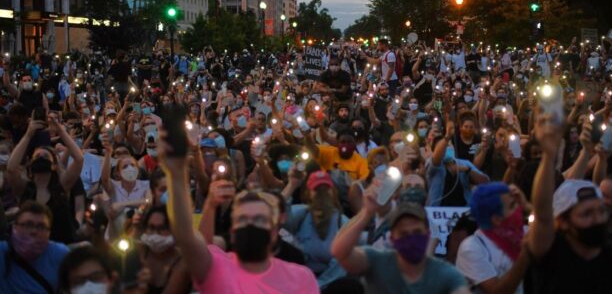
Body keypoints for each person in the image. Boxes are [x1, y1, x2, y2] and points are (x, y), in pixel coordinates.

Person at [160, 130, 319, 293]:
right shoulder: (217, 269)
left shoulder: (300, 277)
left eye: (259, 220)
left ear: (274, 228)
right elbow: (188, 239)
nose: (250, 225)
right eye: (242, 219)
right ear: (232, 230)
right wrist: (176, 173)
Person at [527, 113, 612, 293]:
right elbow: (542, 213)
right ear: (563, 222)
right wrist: (549, 154)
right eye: (586, 214)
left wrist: (599, 156)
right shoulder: (551, 254)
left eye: (600, 211)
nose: (597, 219)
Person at [331, 186, 470, 294]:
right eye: (404, 234)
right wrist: (366, 214)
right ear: (392, 238)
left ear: (427, 234)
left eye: (417, 232)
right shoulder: (376, 261)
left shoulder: (446, 274)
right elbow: (339, 252)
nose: (411, 238)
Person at [456, 182, 531, 294]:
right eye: (512, 205)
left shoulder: (524, 232)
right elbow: (498, 291)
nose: (519, 208)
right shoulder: (472, 248)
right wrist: (525, 252)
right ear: (496, 219)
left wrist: (528, 206)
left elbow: (555, 230)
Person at [0, 201, 69, 293]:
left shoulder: (60, 254)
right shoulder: (2, 252)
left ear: (49, 232)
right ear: (14, 227)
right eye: (28, 225)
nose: (34, 231)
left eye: (41, 226)